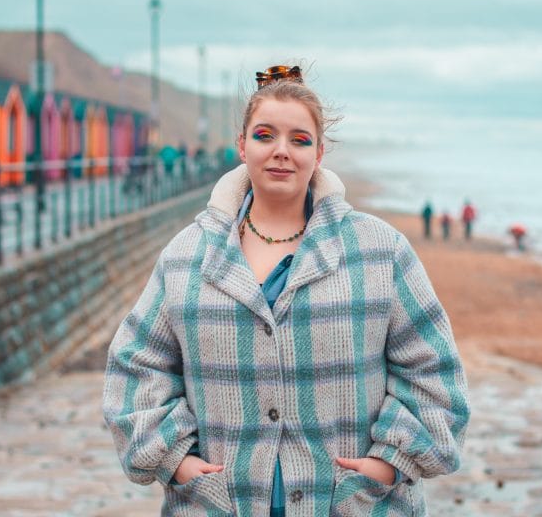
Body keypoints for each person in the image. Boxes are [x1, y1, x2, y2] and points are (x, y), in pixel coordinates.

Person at [103, 65, 470, 516]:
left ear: (319, 154)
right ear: (241, 146)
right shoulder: (187, 256)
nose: (281, 152)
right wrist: (174, 460)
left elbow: (435, 372)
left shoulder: (380, 251)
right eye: (264, 135)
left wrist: (389, 462)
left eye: (299, 140)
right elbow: (135, 365)